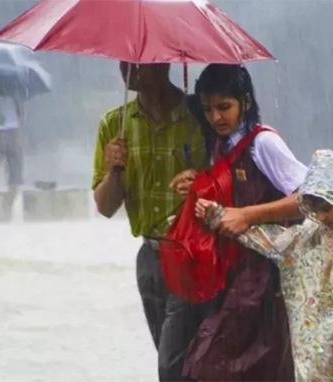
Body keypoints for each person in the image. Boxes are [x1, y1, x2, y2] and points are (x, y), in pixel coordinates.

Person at [196, 149, 333, 382]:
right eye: (315, 209)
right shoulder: (311, 237)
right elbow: (271, 240)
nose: (321, 217)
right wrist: (218, 217)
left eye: (325, 208)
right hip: (326, 361)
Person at [166, 63, 308, 381]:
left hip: (264, 278)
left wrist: (247, 216)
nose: (216, 117)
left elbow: (308, 200)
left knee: (217, 364)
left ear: (245, 102)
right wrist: (197, 183)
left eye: (224, 107)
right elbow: (225, 198)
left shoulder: (263, 144)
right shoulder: (220, 146)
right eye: (207, 109)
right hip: (228, 273)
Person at [92, 61, 208, 381]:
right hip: (149, 258)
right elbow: (104, 206)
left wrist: (202, 184)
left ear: (163, 62)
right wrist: (114, 170)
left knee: (172, 365)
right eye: (121, 61)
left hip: (191, 254)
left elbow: (228, 180)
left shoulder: (199, 116)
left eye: (135, 62)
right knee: (174, 356)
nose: (125, 69)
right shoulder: (114, 124)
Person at [0, 79, 25, 216]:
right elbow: (21, 116)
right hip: (7, 133)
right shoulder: (14, 97)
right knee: (12, 170)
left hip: (4, 133)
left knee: (11, 169)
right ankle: (5, 201)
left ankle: (6, 201)